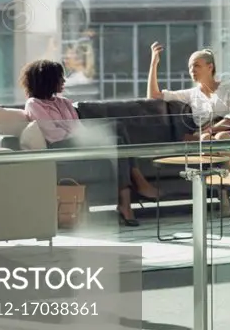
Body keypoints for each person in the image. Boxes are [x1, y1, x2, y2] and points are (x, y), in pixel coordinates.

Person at [20, 59, 158, 226]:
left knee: (118, 129)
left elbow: (77, 127)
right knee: (116, 141)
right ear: (47, 80)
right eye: (60, 78)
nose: (64, 81)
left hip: (78, 141)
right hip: (61, 147)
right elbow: (53, 134)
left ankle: (128, 195)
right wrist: (82, 136)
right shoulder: (34, 104)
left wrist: (82, 136)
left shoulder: (64, 102)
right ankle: (132, 193)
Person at [146, 46, 230, 141]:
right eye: (190, 67)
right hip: (204, 137)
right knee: (205, 139)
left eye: (196, 65)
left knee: (220, 137)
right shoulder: (190, 94)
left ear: (210, 67)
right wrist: (153, 64)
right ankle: (220, 163)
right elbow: (154, 96)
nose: (192, 70)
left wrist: (209, 130)